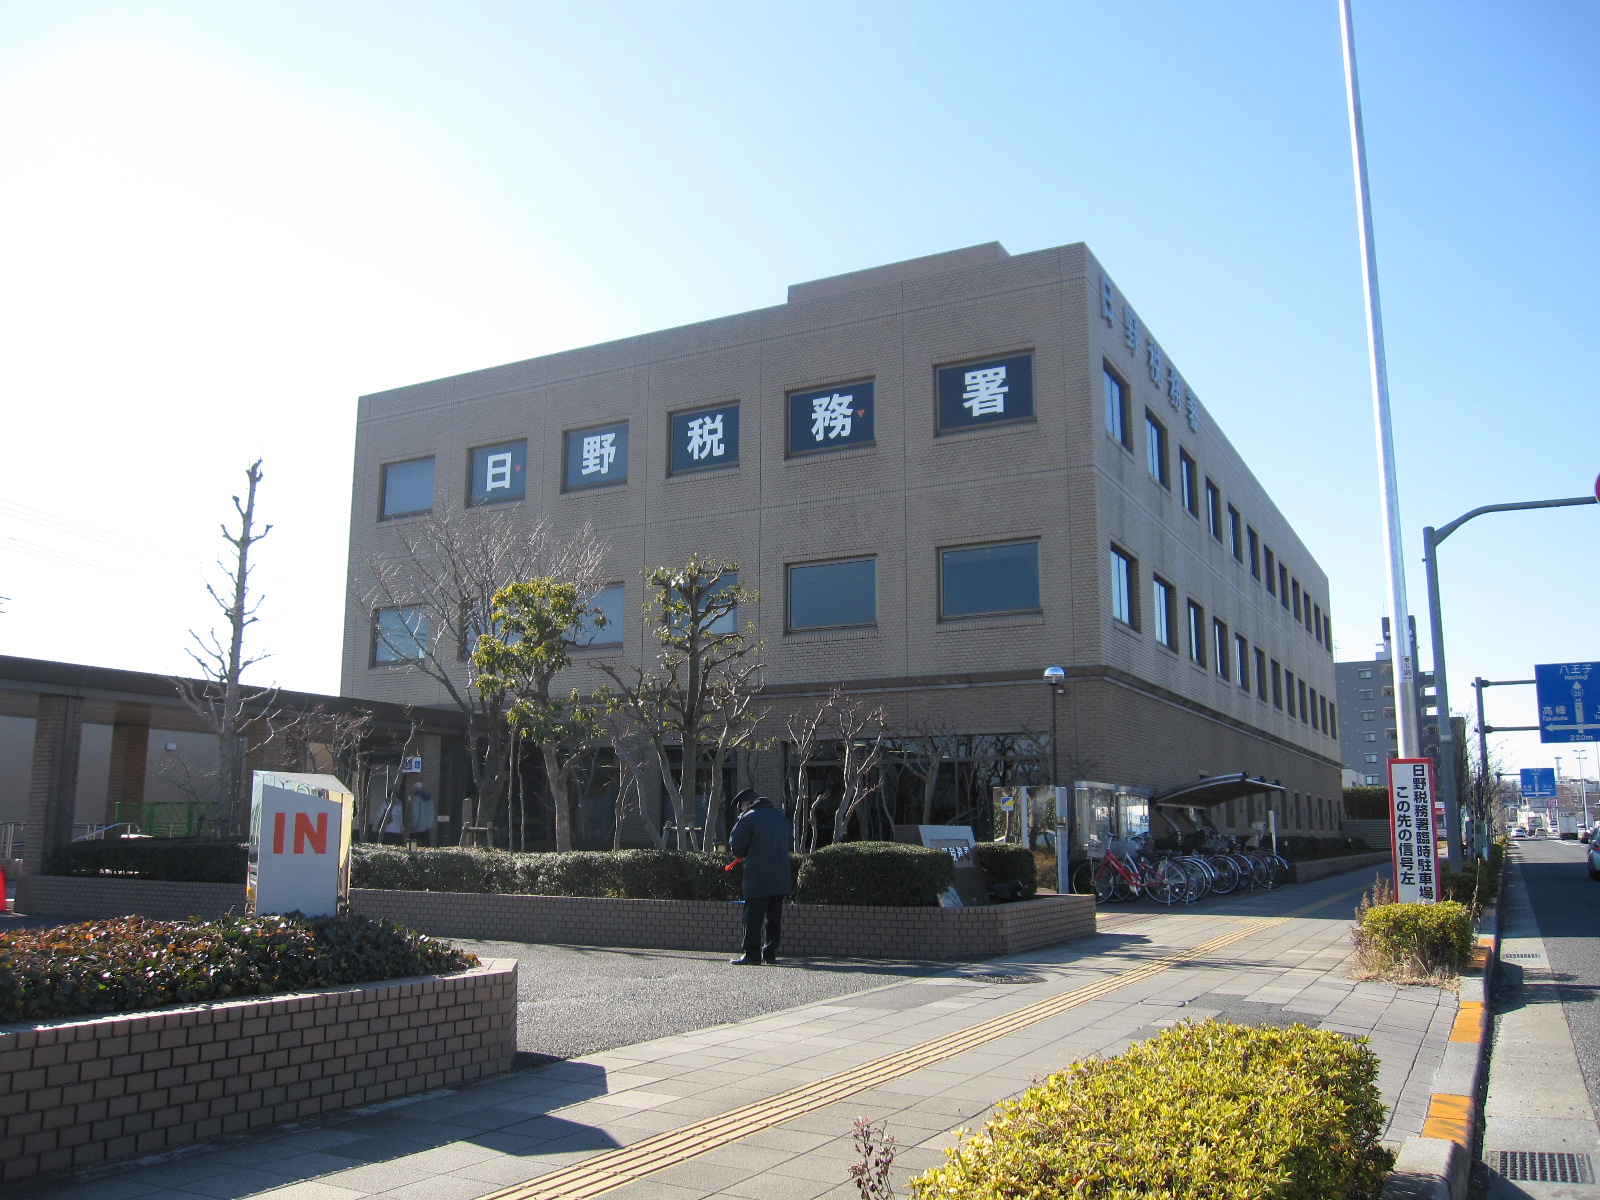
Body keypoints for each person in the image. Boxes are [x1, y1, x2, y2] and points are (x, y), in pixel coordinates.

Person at [727, 787, 792, 965]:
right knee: (773, 918)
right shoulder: (781, 818)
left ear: (746, 804)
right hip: (781, 875)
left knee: (753, 917)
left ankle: (752, 954)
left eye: (741, 807)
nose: (741, 810)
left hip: (758, 875)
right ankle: (770, 953)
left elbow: (737, 845)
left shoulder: (748, 818)